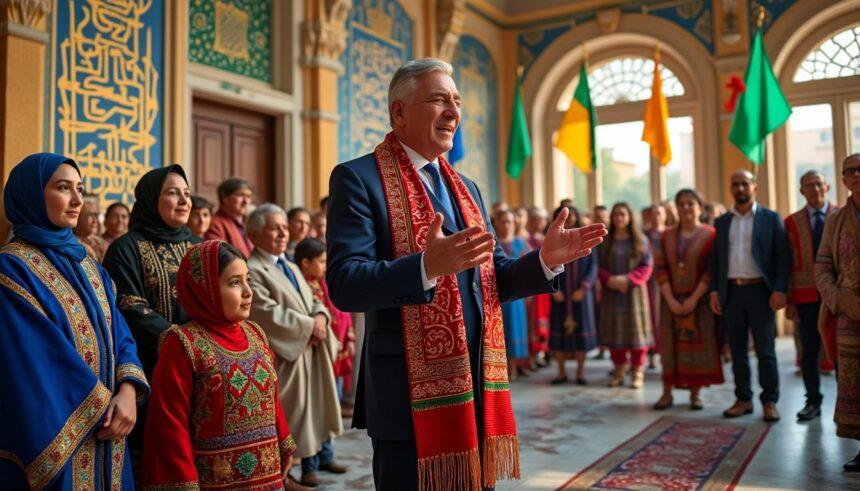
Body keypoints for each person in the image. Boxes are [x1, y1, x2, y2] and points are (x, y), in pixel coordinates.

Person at [326, 58, 605, 490]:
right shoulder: (359, 179)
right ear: (399, 111)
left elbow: (495, 278)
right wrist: (425, 268)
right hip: (407, 397)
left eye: (456, 101)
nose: (454, 111)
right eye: (439, 100)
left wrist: (544, 260)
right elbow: (346, 284)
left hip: (479, 387)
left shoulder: (466, 188)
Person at [0, 153, 149, 488]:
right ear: (32, 194)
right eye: (63, 188)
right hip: (59, 435)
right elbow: (35, 358)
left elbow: (119, 333)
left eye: (79, 188)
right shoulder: (12, 268)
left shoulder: (89, 265)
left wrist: (128, 390)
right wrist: (102, 407)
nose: (78, 200)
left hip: (113, 431)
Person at [140, 241, 299, 489]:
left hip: (267, 476)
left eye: (247, 280)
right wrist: (183, 483)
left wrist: (284, 441)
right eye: (234, 283)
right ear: (206, 289)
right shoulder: (183, 343)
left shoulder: (255, 334)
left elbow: (272, 398)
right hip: (215, 482)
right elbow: (169, 422)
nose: (248, 292)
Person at [103, 164, 201, 472]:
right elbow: (130, 307)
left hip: (202, 370)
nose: (184, 201)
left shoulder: (200, 247)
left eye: (187, 194)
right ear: (150, 199)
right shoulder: (126, 248)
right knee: (155, 460)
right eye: (172, 193)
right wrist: (183, 342)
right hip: (151, 370)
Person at [245, 204, 346, 488]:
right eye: (274, 228)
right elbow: (265, 312)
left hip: (307, 349)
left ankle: (313, 463)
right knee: (289, 415)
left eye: (283, 228)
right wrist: (310, 326)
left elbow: (313, 300)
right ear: (254, 235)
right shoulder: (253, 269)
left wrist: (320, 316)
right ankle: (282, 475)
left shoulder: (289, 265)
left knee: (311, 412)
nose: (282, 233)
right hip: (285, 355)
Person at [709, 170, 789, 422]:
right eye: (735, 184)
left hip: (760, 292)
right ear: (730, 188)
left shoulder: (770, 218)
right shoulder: (722, 222)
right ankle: (743, 399)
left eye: (744, 183)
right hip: (732, 292)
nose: (740, 188)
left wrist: (780, 289)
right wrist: (714, 291)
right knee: (737, 350)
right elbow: (716, 261)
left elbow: (783, 258)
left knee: (765, 350)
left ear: (754, 187)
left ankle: (769, 401)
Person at [652, 189, 723, 411]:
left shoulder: (711, 234)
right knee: (669, 346)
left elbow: (711, 270)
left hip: (699, 302)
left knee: (696, 347)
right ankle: (666, 393)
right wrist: (671, 300)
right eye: (681, 203)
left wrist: (693, 298)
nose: (685, 208)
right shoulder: (666, 235)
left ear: (700, 208)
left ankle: (695, 394)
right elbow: (660, 268)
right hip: (670, 301)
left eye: (690, 203)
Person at [815, 154, 860, 471]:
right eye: (850, 171)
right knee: (853, 381)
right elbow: (822, 266)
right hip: (848, 313)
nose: (856, 174)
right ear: (843, 180)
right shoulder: (835, 220)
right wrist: (839, 298)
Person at [785, 170, 837, 422]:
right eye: (809, 185)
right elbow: (785, 264)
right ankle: (812, 401)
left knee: (844, 351)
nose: (815, 189)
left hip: (839, 297)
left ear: (827, 187)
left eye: (818, 184)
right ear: (801, 191)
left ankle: (848, 404)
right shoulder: (791, 223)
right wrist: (789, 300)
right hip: (805, 297)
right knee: (809, 351)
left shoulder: (842, 216)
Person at [599, 202, 654, 389]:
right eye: (616, 215)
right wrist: (610, 280)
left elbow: (647, 266)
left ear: (630, 217)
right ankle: (619, 371)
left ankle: (638, 372)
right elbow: (598, 266)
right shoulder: (605, 241)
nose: (619, 218)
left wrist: (628, 280)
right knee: (615, 334)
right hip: (612, 293)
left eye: (623, 214)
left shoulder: (641, 240)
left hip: (634, 294)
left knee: (637, 334)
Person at [295, 238, 356, 406]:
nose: (325, 266)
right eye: (321, 262)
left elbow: (342, 312)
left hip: (339, 347)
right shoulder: (300, 287)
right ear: (306, 263)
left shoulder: (325, 282)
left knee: (336, 393)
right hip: (321, 349)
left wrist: (350, 338)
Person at [548, 206, 598, 385]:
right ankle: (561, 372)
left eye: (573, 215)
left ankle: (580, 372)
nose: (570, 218)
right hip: (559, 294)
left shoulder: (586, 238)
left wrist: (584, 288)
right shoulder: (551, 239)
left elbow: (593, 266)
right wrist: (554, 290)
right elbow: (546, 264)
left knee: (581, 334)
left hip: (581, 296)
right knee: (559, 333)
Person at [493, 209, 531, 380]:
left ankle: (516, 367)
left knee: (516, 329)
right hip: (496, 295)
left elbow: (529, 268)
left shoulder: (522, 244)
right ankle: (501, 370)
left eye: (510, 222)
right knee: (499, 331)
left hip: (516, 296)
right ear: (496, 223)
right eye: (503, 221)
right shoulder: (492, 243)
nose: (507, 225)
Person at [526, 206, 551, 368]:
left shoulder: (547, 239)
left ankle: (542, 353)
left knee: (543, 320)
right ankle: (530, 356)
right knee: (531, 321)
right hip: (529, 286)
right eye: (535, 219)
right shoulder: (525, 240)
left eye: (541, 219)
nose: (538, 223)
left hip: (544, 286)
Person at [205, 178, 254, 258]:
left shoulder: (246, 223)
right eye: (241, 195)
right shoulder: (214, 223)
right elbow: (222, 257)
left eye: (248, 196)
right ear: (224, 198)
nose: (246, 201)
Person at [645, 203, 668, 369]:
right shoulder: (643, 235)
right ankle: (651, 356)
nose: (656, 217)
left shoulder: (670, 234)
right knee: (651, 317)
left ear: (665, 215)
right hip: (648, 281)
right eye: (653, 214)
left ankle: (665, 355)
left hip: (666, 281)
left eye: (659, 213)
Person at [75, 195, 108, 262]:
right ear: (78, 217)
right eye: (90, 215)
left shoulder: (102, 243)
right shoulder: (72, 244)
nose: (95, 220)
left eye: (96, 215)